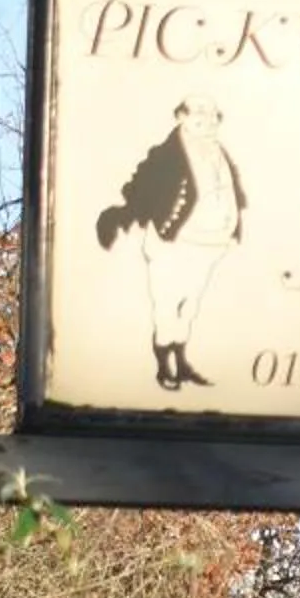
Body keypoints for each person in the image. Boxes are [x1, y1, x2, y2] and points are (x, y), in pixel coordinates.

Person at [93, 96, 246, 389]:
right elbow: (137, 187)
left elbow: (231, 189)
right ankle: (164, 366)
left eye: (214, 115)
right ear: (182, 117)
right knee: (167, 302)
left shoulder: (218, 151)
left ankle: (182, 361)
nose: (209, 120)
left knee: (191, 305)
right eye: (200, 113)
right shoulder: (166, 154)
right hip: (175, 244)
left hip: (212, 243)